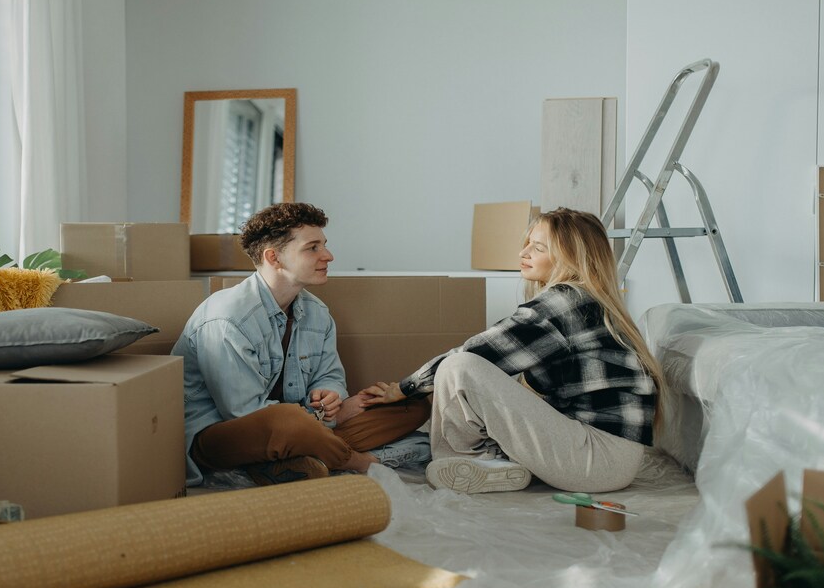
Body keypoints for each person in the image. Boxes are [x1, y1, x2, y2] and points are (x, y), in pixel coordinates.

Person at [359, 208, 665, 494]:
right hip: (604, 456)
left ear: (569, 258)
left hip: (596, 459)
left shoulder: (565, 301)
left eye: (538, 248)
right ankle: (493, 462)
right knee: (489, 377)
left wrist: (402, 389)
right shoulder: (586, 300)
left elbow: (480, 352)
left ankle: (470, 459)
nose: (523, 253)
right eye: (527, 244)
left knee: (460, 367)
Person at [173, 202, 431, 487]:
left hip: (299, 424)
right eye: (313, 248)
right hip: (223, 436)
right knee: (287, 421)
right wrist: (326, 416)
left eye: (324, 245)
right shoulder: (226, 318)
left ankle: (295, 463)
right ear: (274, 258)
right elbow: (245, 412)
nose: (328, 256)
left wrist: (332, 395)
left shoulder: (316, 312)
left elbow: (330, 375)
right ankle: (362, 461)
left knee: (413, 405)